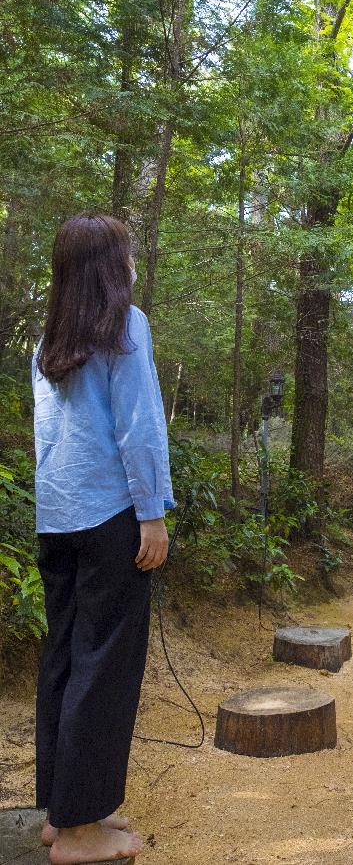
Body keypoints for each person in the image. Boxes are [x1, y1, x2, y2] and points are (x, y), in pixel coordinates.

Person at [32, 213, 175, 864]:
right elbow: (140, 427)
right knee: (104, 668)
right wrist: (152, 511)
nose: (134, 262)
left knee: (64, 658)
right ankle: (82, 832)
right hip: (112, 515)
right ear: (111, 265)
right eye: (128, 253)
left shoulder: (48, 334)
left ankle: (64, 815)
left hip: (57, 517)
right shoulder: (126, 325)